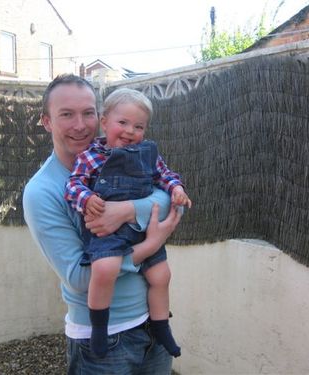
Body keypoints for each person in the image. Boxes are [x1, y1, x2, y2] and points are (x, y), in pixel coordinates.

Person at [23, 74, 183, 374]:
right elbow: (80, 278)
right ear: (47, 122)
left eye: (87, 113)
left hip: (153, 325)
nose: (80, 125)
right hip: (105, 342)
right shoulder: (42, 191)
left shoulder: (127, 155)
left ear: (101, 118)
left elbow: (173, 205)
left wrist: (125, 211)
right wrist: (150, 244)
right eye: (66, 114)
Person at [65, 88, 191, 359]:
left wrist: (176, 188)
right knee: (106, 268)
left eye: (138, 126)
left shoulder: (148, 154)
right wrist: (86, 199)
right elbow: (73, 185)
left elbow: (164, 175)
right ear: (105, 122)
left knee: (161, 276)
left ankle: (161, 328)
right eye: (123, 123)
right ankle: (99, 328)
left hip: (142, 229)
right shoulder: (90, 156)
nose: (130, 131)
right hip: (108, 234)